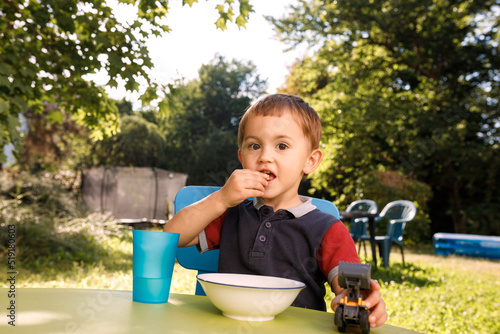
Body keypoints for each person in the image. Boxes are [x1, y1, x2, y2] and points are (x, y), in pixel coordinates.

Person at [164, 94, 387, 327]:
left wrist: (360, 300)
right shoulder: (231, 214)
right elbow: (171, 236)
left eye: (282, 146)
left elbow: (351, 286)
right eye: (254, 146)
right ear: (242, 158)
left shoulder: (328, 228)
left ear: (310, 161)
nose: (265, 157)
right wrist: (221, 198)